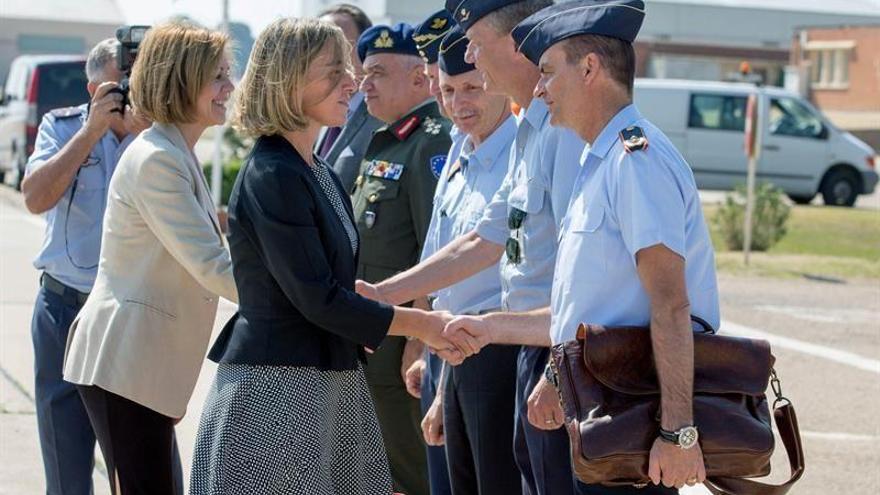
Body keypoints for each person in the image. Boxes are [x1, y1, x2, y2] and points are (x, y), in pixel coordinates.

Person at [443, 0, 721, 492]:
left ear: (589, 68)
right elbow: (584, 307)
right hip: (589, 400)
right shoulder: (600, 162)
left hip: (626, 409)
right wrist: (491, 330)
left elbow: (671, 304)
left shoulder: (637, 161)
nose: (540, 87)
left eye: (548, 72)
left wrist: (678, 433)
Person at [188, 18, 464, 494]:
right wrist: (423, 326)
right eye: (334, 71)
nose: (352, 83)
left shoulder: (315, 169)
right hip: (278, 397)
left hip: (324, 387)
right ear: (289, 80)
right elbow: (317, 299)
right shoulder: (274, 173)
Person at [357, 1, 586, 493]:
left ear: (513, 44)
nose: (472, 60)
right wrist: (382, 295)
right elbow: (482, 239)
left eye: (477, 49)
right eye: (447, 87)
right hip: (495, 344)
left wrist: (554, 369)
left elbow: (578, 268)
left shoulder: (561, 131)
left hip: (537, 350)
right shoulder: (531, 129)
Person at [62, 22, 238, 494]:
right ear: (182, 81)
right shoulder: (158, 158)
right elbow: (213, 266)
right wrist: (306, 301)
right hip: (125, 363)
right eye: (217, 76)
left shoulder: (173, 152)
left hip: (142, 367)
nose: (230, 87)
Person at [20, 37, 150, 495]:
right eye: (120, 85)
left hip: (128, 316)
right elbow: (35, 196)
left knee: (144, 467)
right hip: (63, 311)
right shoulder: (63, 126)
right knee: (67, 470)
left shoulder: (155, 139)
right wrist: (91, 132)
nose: (128, 93)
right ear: (94, 88)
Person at [353, 22, 454, 495]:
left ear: (419, 78)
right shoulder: (389, 140)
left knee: (412, 472)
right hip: (377, 336)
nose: (363, 84)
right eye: (363, 73)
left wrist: (418, 339)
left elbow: (435, 249)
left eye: (376, 73)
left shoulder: (431, 142)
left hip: (401, 344)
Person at [423, 25, 522, 495]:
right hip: (455, 351)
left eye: (470, 88)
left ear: (495, 84)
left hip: (501, 352)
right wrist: (443, 386)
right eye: (447, 90)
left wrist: (381, 298)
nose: (458, 103)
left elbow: (483, 250)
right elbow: (443, 270)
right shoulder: (460, 151)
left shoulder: (522, 153)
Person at [316, 3, 383, 192]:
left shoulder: (381, 118)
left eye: (341, 45)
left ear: (365, 49)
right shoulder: (315, 112)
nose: (327, 56)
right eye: (319, 46)